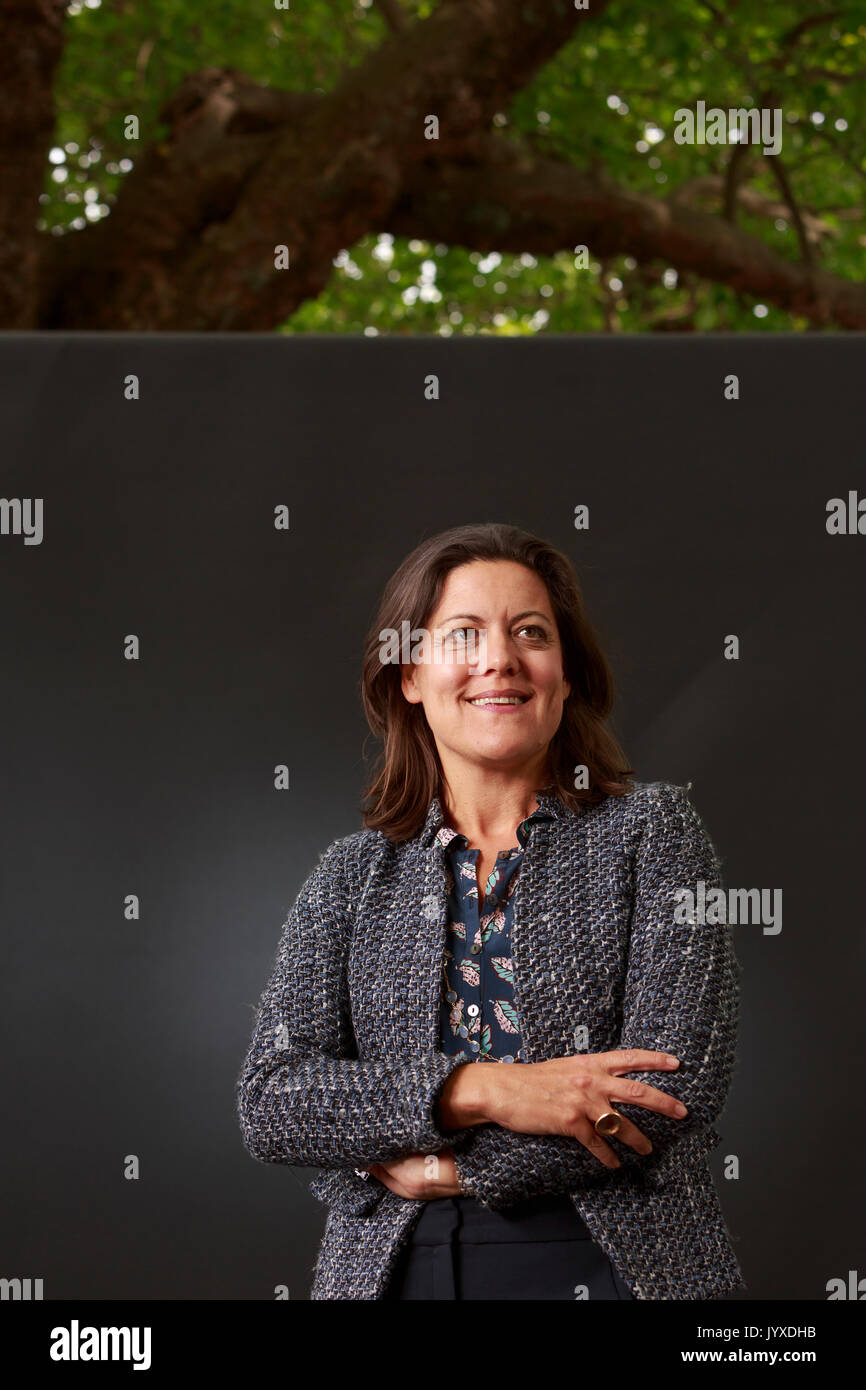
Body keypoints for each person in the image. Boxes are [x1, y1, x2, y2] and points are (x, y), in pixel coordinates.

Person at [236, 521, 745, 1300]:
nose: (498, 660)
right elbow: (274, 1102)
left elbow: (670, 1095)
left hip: (612, 1265)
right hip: (394, 1269)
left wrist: (438, 1166)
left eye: (530, 633)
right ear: (409, 674)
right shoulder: (350, 875)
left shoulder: (653, 835)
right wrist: (487, 1089)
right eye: (462, 633)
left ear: (565, 673)